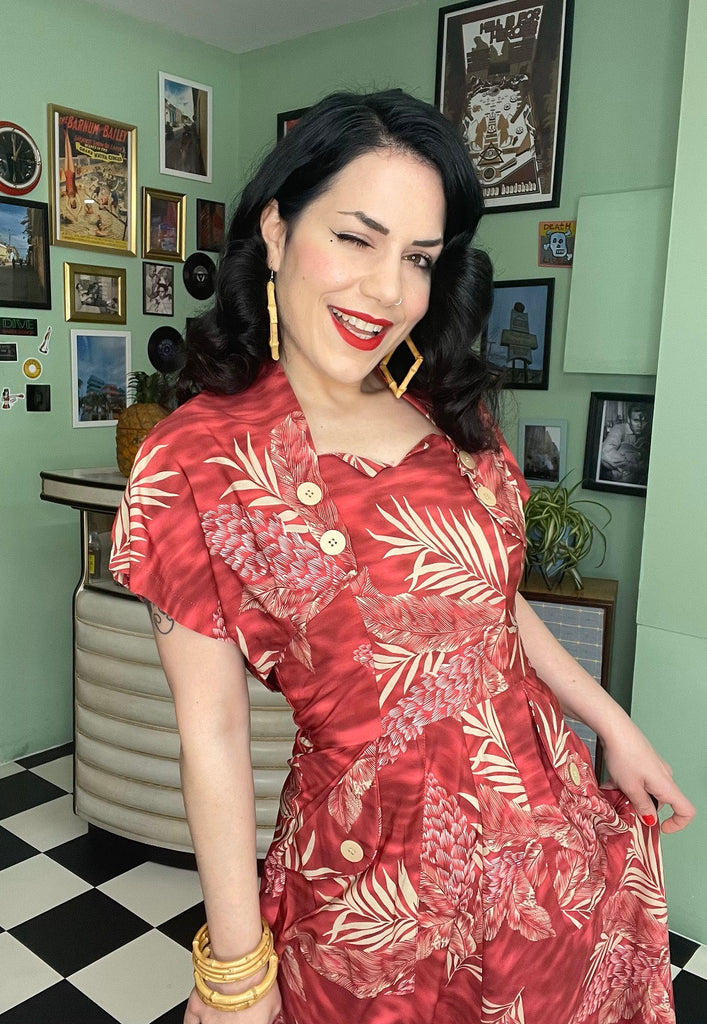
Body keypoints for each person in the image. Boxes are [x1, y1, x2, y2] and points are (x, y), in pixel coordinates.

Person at [110, 90, 694, 1024]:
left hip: (552, 859)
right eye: (356, 238)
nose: (388, 290)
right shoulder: (197, 459)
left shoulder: (444, 408)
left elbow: (489, 606)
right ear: (276, 229)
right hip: (373, 898)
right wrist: (236, 970)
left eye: (418, 258)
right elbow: (211, 731)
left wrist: (610, 724)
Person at [600, 403, 651, 485]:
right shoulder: (619, 429)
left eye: (643, 421)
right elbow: (606, 453)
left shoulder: (646, 433)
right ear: (628, 420)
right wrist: (634, 467)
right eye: (636, 420)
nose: (640, 425)